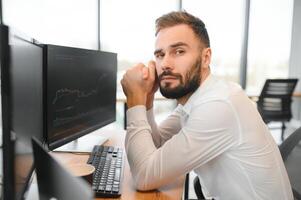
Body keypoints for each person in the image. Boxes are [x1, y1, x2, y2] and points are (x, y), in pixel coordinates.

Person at [120, 11, 293, 200]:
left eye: (179, 51)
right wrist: (147, 99)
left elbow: (144, 176)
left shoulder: (218, 105)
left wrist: (135, 98)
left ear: (206, 57)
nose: (166, 64)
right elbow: (159, 143)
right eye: (160, 55)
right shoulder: (198, 98)